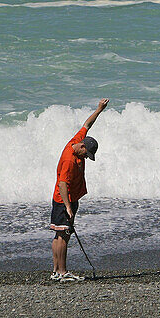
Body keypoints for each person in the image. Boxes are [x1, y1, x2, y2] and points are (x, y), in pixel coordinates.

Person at [49, 98, 108, 282]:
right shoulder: (69, 160)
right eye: (86, 154)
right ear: (82, 147)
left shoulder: (77, 140)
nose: (86, 158)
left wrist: (99, 109)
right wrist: (68, 207)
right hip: (64, 199)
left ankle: (56, 271)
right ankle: (62, 271)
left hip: (69, 198)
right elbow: (62, 184)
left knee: (60, 233)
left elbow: (87, 124)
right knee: (64, 235)